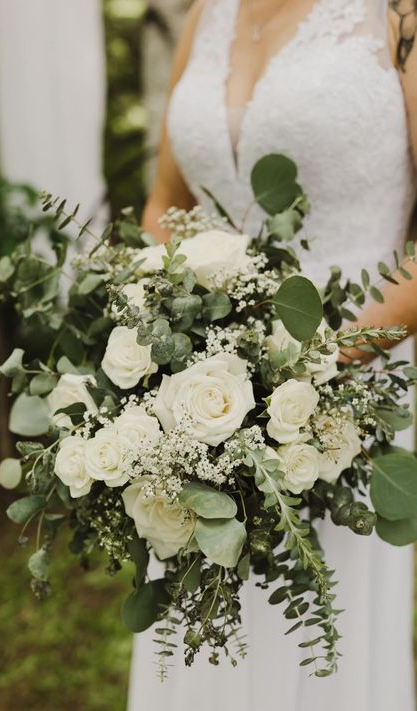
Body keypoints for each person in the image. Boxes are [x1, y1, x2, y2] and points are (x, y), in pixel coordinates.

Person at [129, 2, 417, 709]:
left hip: (344, 410)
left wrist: (301, 373)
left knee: (321, 641)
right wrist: (172, 346)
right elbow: (166, 202)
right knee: (198, 636)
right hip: (196, 409)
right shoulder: (208, 14)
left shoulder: (400, 16)